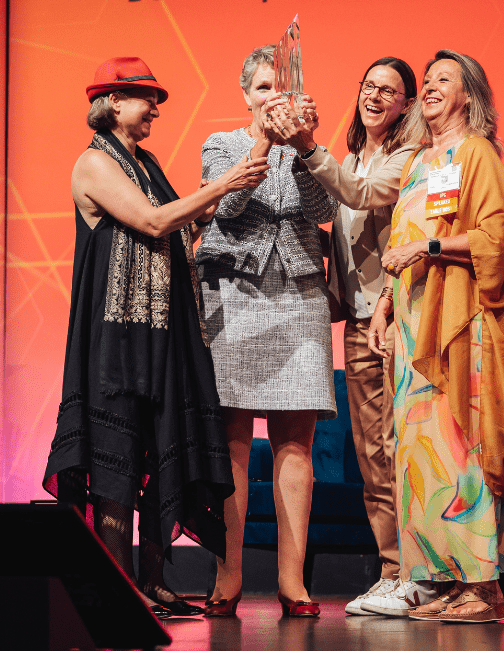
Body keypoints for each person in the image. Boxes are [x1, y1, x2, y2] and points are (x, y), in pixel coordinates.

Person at [43, 57, 270, 619]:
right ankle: (121, 587)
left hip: (160, 333)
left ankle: (154, 581)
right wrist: (222, 184)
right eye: (147, 99)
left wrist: (255, 152)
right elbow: (151, 221)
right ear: (113, 103)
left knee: (154, 449)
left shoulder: (145, 163)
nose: (156, 110)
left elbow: (188, 218)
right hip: (116, 338)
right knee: (117, 454)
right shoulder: (94, 163)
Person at [364, 49, 504, 622]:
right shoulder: (420, 161)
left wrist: (432, 248)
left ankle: (484, 587)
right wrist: (385, 307)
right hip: (416, 327)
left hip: (463, 325)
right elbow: (404, 234)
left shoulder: (476, 154)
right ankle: (442, 581)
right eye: (431, 80)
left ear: (469, 94)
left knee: (464, 445)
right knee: (423, 456)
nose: (434, 87)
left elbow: (499, 232)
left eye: (446, 79)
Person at [270, 57, 420, 615]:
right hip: (358, 322)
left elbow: (359, 195)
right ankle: (391, 571)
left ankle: (417, 569)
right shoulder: (354, 156)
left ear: (406, 105)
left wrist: (308, 147)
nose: (376, 96)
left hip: (398, 319)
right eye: (369, 86)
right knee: (372, 454)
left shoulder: (407, 157)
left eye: (391, 90)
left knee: (402, 449)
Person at [196, 45, 338, 617]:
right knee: (231, 441)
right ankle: (227, 576)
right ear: (245, 94)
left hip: (299, 298)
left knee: (294, 442)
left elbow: (323, 208)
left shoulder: (310, 148)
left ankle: (292, 581)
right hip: (234, 296)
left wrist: (304, 147)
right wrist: (264, 144)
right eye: (261, 89)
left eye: (279, 90)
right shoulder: (222, 145)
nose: (270, 99)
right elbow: (223, 209)